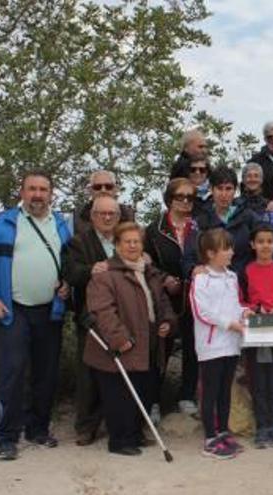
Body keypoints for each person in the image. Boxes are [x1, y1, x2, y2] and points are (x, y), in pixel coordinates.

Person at [0, 170, 72, 461]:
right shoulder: (3, 223)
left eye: (43, 189)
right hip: (12, 309)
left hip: (49, 310)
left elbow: (69, 264)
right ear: (22, 192)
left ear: (51, 194)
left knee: (46, 374)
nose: (38, 195)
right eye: (32, 188)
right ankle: (7, 436)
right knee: (13, 372)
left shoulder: (61, 225)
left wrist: (67, 285)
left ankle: (38, 429)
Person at [84, 222, 175, 456]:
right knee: (119, 395)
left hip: (148, 342)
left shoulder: (150, 273)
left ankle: (135, 433)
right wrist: (118, 338)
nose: (133, 245)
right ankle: (120, 440)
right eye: (127, 241)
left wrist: (167, 321)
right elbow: (103, 311)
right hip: (120, 346)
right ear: (116, 245)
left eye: (137, 241)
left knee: (143, 390)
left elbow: (162, 302)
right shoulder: (106, 276)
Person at [189, 228, 253, 460]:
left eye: (230, 248)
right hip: (211, 346)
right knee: (210, 393)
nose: (231, 252)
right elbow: (201, 312)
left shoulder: (232, 276)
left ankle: (224, 432)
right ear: (210, 253)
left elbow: (235, 304)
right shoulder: (201, 279)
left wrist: (244, 312)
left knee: (226, 391)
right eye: (226, 249)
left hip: (231, 344)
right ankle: (210, 439)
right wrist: (229, 323)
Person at [63, 195, 121, 446]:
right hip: (91, 316)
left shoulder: (125, 239)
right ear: (93, 216)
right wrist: (90, 270)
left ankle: (117, 422)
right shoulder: (78, 242)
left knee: (120, 370)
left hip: (121, 315)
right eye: (102, 213)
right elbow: (70, 273)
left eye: (112, 214)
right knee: (89, 372)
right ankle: (86, 426)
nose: (107, 218)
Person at [144, 178, 200, 417]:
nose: (186, 201)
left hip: (194, 297)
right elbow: (145, 264)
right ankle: (153, 399)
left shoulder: (199, 227)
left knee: (193, 348)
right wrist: (164, 277)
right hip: (163, 298)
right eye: (180, 196)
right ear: (169, 198)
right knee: (160, 348)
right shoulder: (153, 229)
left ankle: (187, 395)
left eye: (190, 197)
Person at [240, 224, 273, 449]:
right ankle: (262, 428)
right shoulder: (245, 271)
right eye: (260, 241)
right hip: (255, 331)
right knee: (258, 381)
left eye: (269, 241)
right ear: (252, 245)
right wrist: (253, 308)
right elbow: (241, 300)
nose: (265, 246)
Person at [183, 166, 260, 278]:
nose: (224, 194)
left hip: (244, 284)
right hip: (212, 285)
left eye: (228, 189)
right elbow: (188, 256)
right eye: (219, 188)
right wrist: (192, 269)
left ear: (235, 190)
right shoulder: (200, 221)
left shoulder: (248, 217)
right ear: (211, 189)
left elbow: (264, 247)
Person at [72, 170, 135, 236]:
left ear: (116, 189)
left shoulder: (129, 215)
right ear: (90, 190)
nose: (103, 190)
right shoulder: (77, 216)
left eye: (108, 187)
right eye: (97, 187)